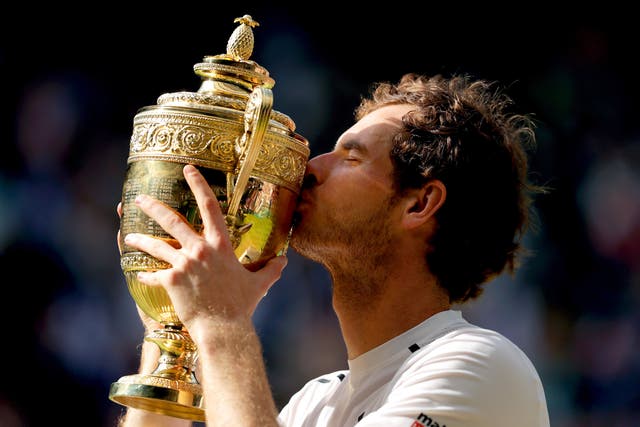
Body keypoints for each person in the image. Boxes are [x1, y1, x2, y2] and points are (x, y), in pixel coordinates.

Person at [118, 73, 550, 427]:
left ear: (419, 203)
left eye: (351, 156)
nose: (310, 169)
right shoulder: (313, 404)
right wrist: (171, 326)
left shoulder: (480, 366)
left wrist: (221, 319)